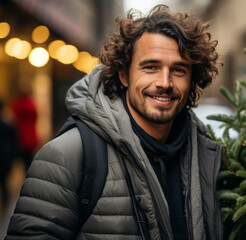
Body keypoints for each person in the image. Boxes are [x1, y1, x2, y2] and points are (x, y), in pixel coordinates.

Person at [6, 5, 222, 240]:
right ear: (124, 75)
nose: (165, 82)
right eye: (151, 67)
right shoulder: (67, 156)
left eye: (179, 70)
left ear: (192, 80)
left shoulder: (208, 156)